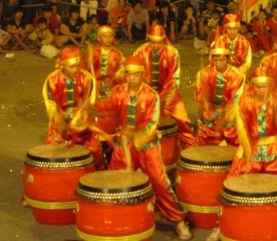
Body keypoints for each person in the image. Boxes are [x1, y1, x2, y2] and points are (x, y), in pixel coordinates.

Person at [204, 67, 277, 241]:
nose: (261, 90)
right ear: (252, 86)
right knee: (230, 183)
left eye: (265, 86)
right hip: (251, 149)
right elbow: (236, 125)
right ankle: (220, 225)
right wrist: (243, 148)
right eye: (258, 86)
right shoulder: (245, 101)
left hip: (273, 149)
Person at [107, 54, 192, 239]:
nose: (131, 78)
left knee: (160, 183)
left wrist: (135, 137)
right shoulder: (117, 92)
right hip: (124, 145)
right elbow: (109, 113)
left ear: (143, 75)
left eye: (135, 75)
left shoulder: (151, 95)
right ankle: (114, 219)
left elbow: (152, 124)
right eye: (128, 74)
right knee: (114, 181)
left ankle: (178, 220)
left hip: (147, 147)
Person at [130, 24, 196, 148]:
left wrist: (162, 99)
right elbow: (135, 77)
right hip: (145, 94)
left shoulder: (172, 53)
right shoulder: (140, 52)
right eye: (152, 42)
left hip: (169, 94)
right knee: (133, 120)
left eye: (159, 42)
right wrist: (148, 97)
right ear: (148, 39)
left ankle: (190, 150)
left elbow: (173, 80)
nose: (155, 46)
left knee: (183, 121)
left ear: (164, 40)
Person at [42, 46, 103, 169]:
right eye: (71, 66)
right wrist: (60, 119)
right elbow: (51, 105)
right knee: (53, 151)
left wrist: (78, 120)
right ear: (61, 65)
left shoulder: (87, 78)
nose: (76, 69)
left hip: (82, 122)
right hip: (60, 121)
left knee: (93, 150)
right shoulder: (52, 79)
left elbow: (88, 104)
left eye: (78, 65)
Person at [194, 42, 244, 146]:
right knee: (204, 132)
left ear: (228, 59)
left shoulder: (238, 76)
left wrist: (225, 115)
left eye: (221, 60)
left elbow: (236, 101)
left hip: (229, 115)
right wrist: (210, 112)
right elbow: (201, 98)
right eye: (215, 60)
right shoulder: (204, 74)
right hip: (210, 114)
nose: (218, 64)